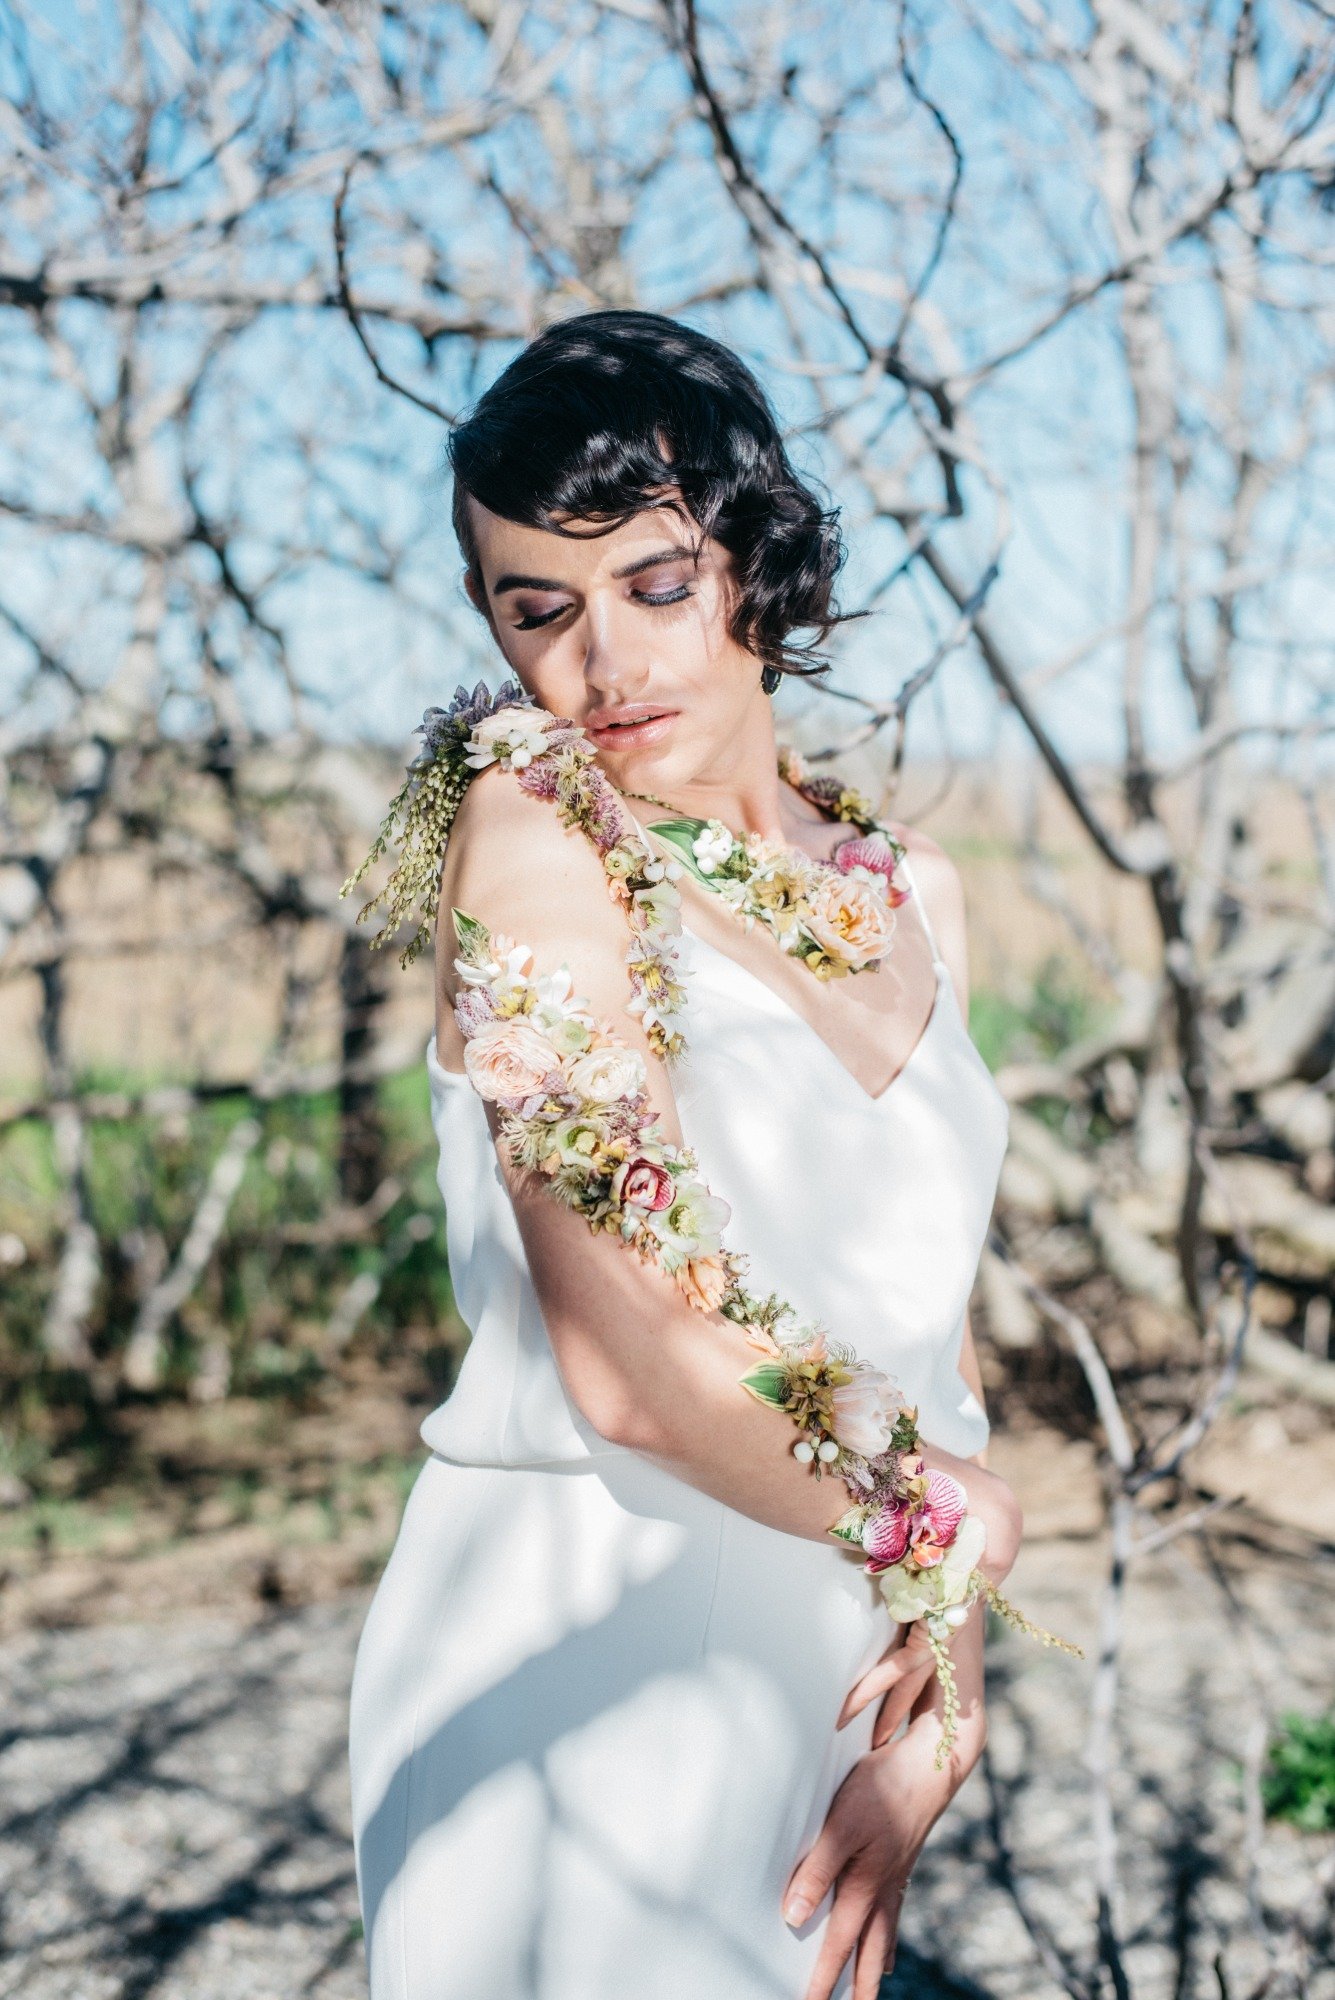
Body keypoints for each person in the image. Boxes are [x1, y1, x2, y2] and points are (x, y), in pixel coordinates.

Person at [347, 309, 1029, 2000]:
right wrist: (950, 1534)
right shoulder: (532, 839)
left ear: (758, 562)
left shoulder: (913, 887)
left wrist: (946, 1674)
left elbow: (932, 1333)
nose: (602, 664)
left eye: (654, 583)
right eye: (538, 609)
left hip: (825, 1659)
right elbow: (630, 1363)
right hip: (580, 1637)